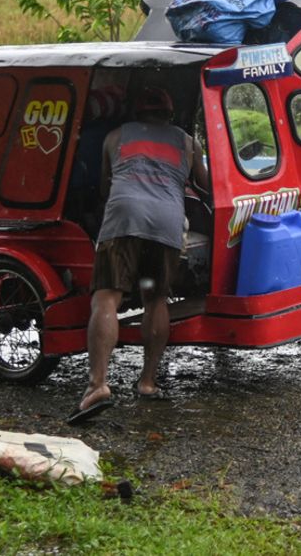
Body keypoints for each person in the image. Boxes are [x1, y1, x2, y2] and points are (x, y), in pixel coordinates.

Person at [69, 83, 210, 425]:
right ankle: (147, 381)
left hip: (123, 218)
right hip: (166, 224)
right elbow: (205, 187)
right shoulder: (188, 143)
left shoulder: (115, 137)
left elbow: (105, 187)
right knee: (156, 298)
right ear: (169, 113)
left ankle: (98, 384)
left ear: (137, 112)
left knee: (106, 298)